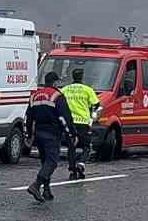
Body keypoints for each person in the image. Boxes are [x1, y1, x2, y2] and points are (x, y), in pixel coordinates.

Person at [24, 71, 73, 203]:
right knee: (52, 161)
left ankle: (46, 190)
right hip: (52, 133)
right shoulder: (57, 96)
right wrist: (71, 133)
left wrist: (29, 134)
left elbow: (29, 118)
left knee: (45, 161)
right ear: (55, 82)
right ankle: (36, 185)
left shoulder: (34, 96)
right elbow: (65, 117)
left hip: (39, 133)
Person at [61, 67, 99, 179]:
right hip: (83, 122)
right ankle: (81, 163)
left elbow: (59, 102)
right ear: (82, 77)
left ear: (72, 76)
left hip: (69, 123)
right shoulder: (87, 89)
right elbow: (96, 104)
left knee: (71, 146)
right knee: (86, 146)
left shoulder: (65, 89)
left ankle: (72, 169)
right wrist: (91, 112)